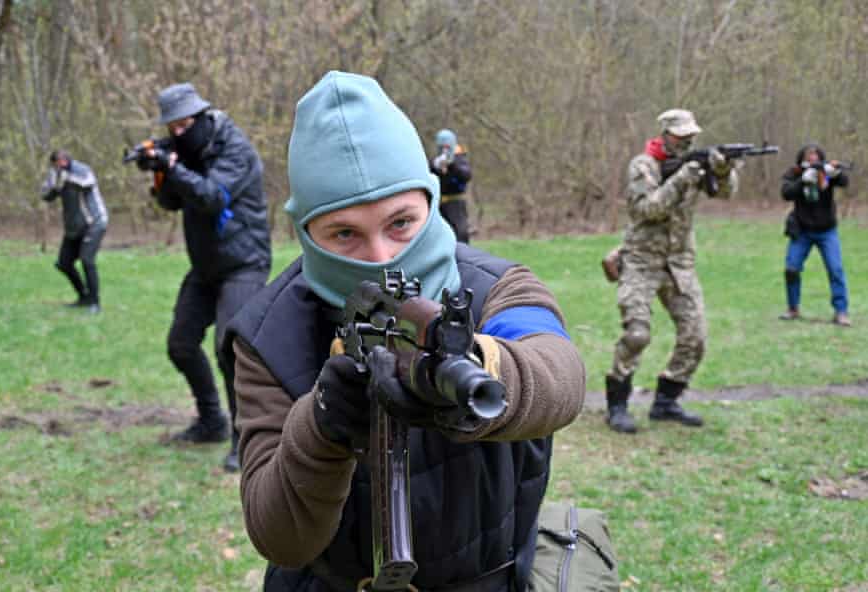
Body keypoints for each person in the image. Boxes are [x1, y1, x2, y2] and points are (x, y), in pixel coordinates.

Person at [225, 71, 586, 592]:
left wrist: (474, 364)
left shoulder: (495, 288)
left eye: (400, 223)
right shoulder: (268, 334)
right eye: (344, 233)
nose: (380, 257)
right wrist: (323, 425)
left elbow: (561, 375)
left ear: (431, 203)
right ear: (306, 232)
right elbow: (280, 537)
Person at [137, 82, 271, 472]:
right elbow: (170, 202)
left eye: (183, 125)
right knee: (180, 343)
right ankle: (212, 420)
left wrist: (174, 167)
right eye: (171, 128)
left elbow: (213, 196)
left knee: (230, 350)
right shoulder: (186, 151)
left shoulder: (235, 148)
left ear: (200, 116)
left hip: (244, 262)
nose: (177, 133)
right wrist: (160, 173)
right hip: (206, 267)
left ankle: (246, 440)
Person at [605, 109, 738, 434]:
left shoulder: (695, 166)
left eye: (690, 136)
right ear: (665, 134)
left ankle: (666, 401)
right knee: (637, 334)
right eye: (680, 136)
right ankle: (618, 404)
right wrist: (682, 178)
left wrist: (722, 171)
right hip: (640, 261)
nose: (686, 141)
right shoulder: (643, 166)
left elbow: (726, 193)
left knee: (695, 338)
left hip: (679, 263)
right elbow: (645, 209)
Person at [779, 143, 851, 326]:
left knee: (835, 269)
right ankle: (793, 308)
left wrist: (835, 173)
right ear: (801, 159)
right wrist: (803, 180)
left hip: (827, 230)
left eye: (815, 157)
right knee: (791, 268)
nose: (812, 160)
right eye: (808, 157)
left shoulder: (826, 173)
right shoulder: (794, 173)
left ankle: (841, 312)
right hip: (802, 230)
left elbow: (844, 182)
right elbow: (786, 193)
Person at [40, 149, 108, 314]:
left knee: (87, 260)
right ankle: (83, 296)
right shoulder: (54, 173)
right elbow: (45, 194)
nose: (61, 164)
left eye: (63, 161)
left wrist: (66, 179)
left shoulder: (82, 169)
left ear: (68, 159)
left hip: (94, 222)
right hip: (73, 226)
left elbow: (87, 182)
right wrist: (56, 186)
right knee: (64, 263)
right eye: (57, 163)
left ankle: (95, 303)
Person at [429, 128, 473, 243]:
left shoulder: (460, 159)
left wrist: (452, 164)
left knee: (460, 234)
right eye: (441, 147)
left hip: (456, 203)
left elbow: (466, 175)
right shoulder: (436, 161)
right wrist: (434, 166)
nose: (444, 150)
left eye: (446, 147)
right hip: (440, 204)